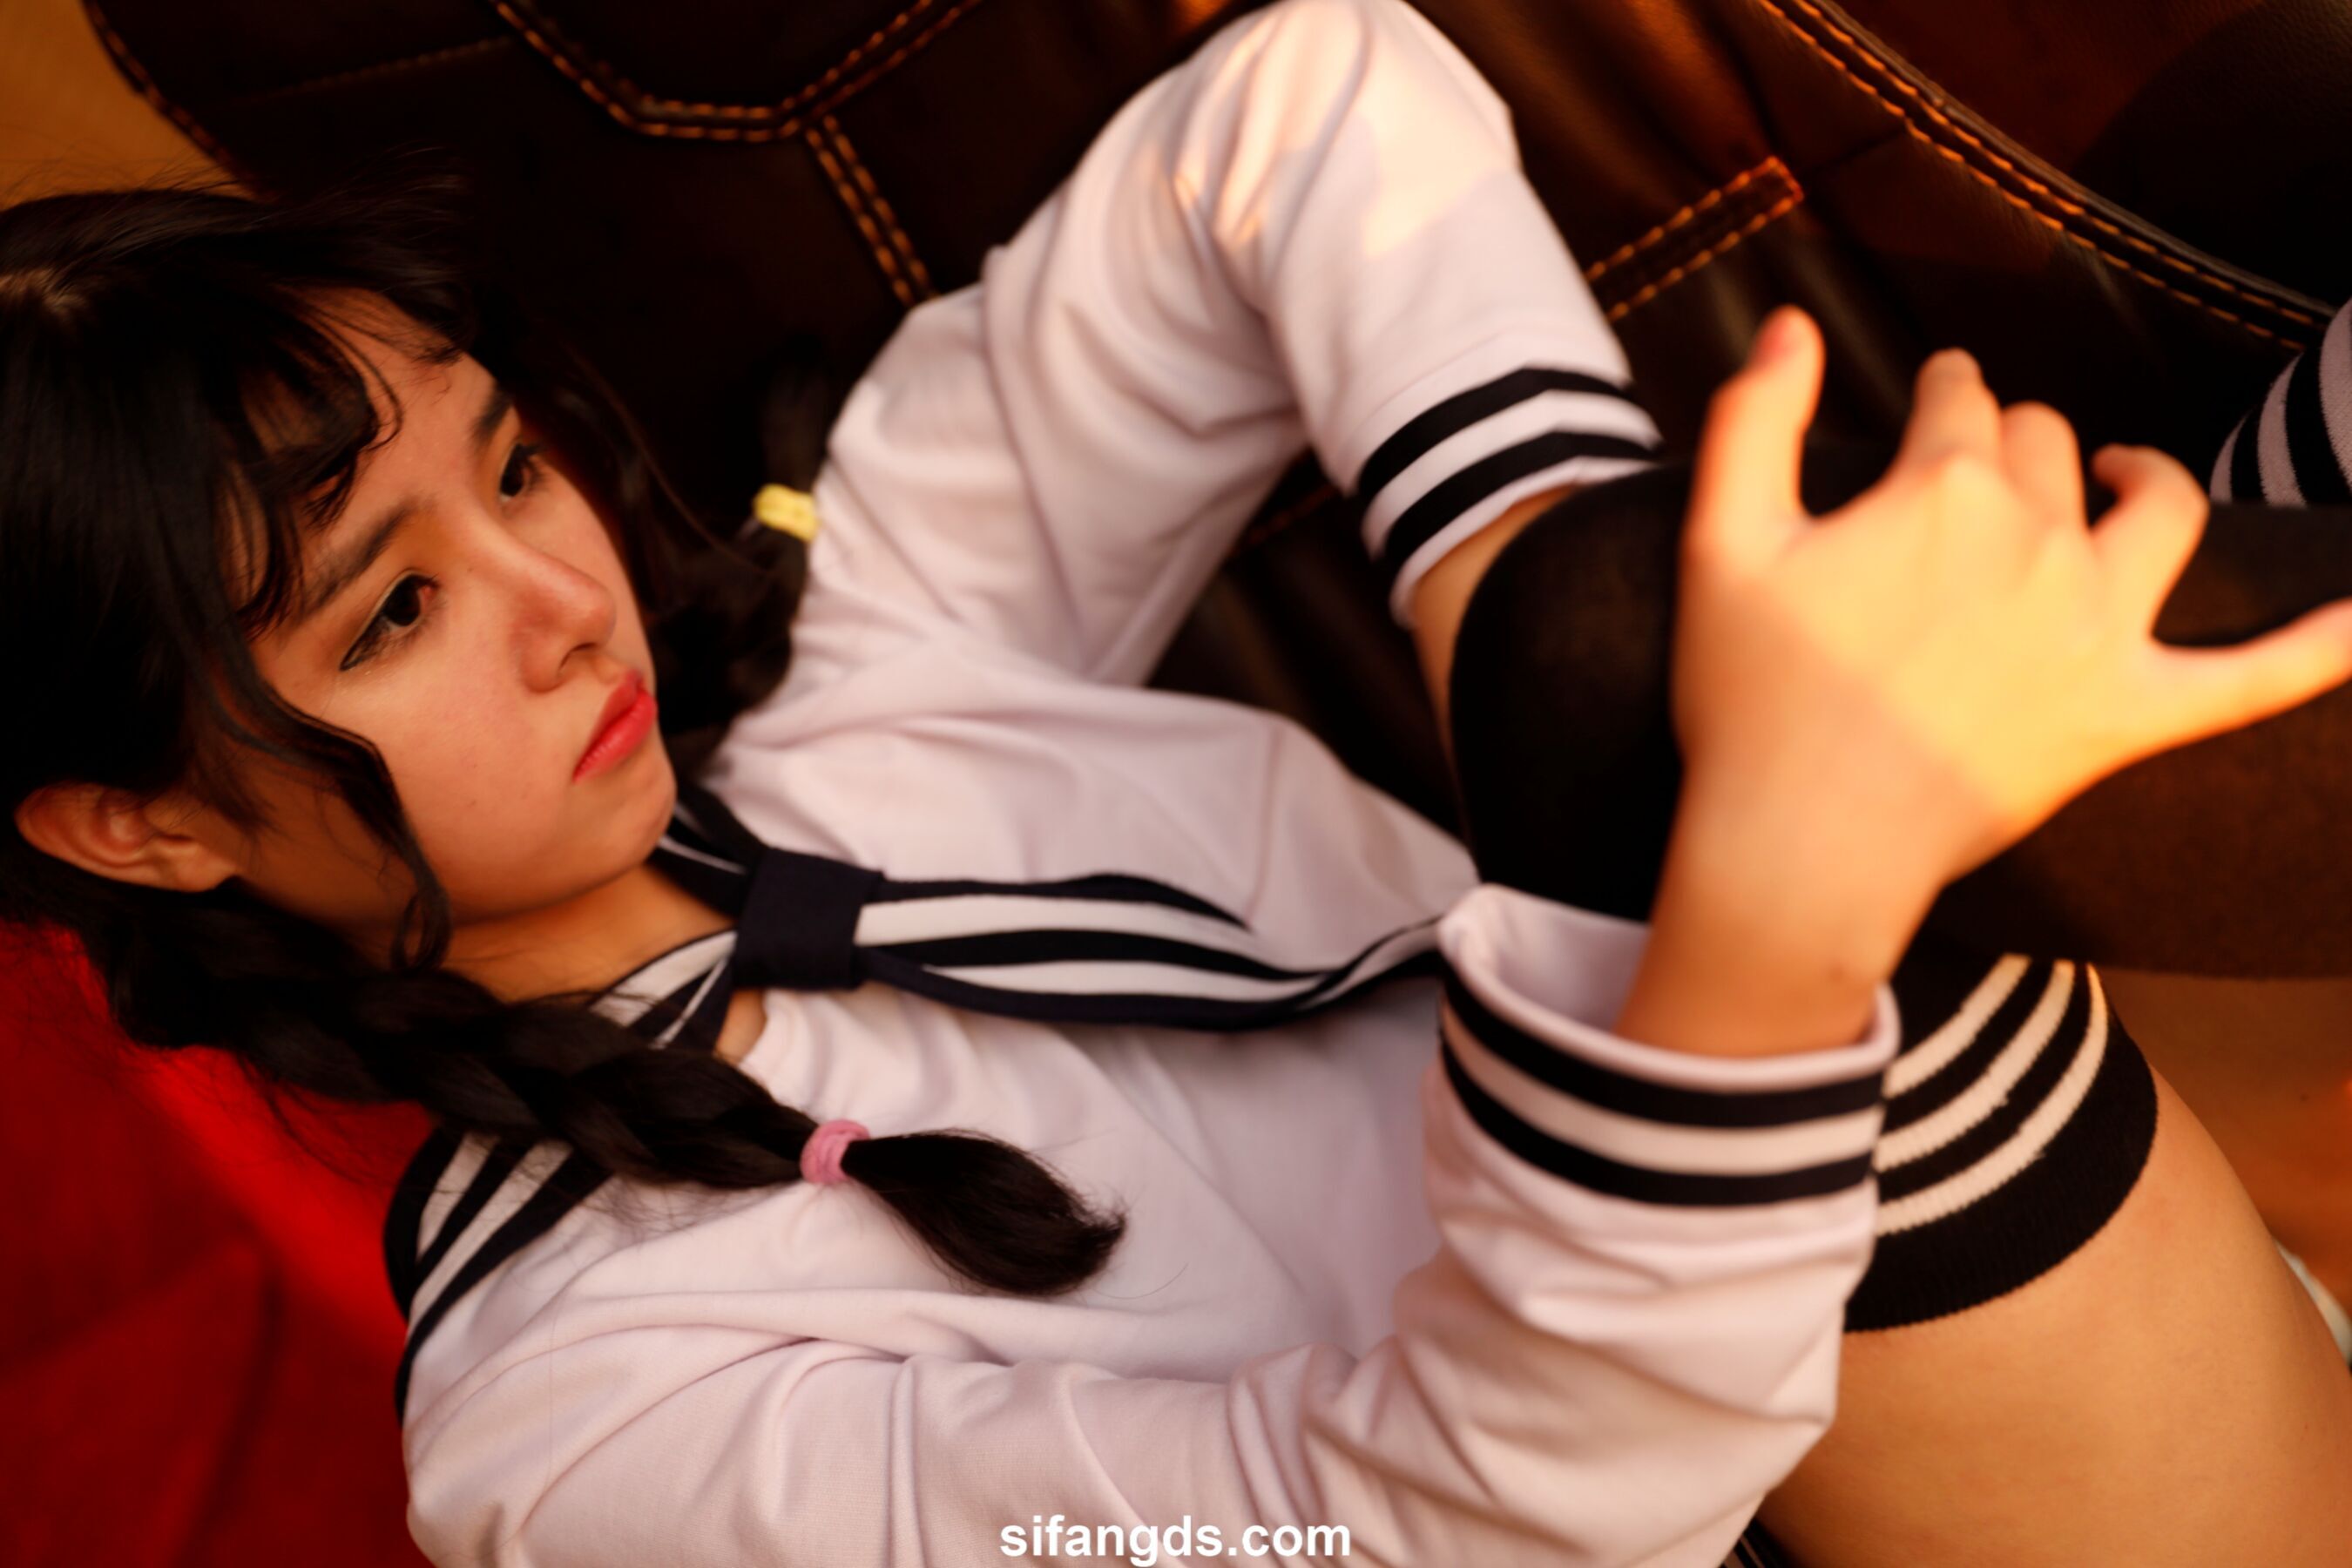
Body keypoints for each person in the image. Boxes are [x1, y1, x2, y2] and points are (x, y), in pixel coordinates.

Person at [5, 1, 2349, 1563]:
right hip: (1875, 1489)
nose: (562, 598)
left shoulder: (848, 677)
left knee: (1628, 683)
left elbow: (1302, 110)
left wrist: (1546, 610)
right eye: (392, 613)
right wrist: (1749, 918)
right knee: (1739, 876)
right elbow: (1436, 1532)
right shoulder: (585, 1436)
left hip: (2117, 1269)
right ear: (141, 823)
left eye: (513, 463)